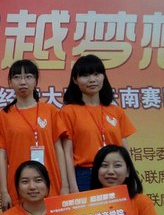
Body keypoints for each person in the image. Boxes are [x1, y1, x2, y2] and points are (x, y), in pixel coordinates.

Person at [58, 54, 136, 193]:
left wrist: (132, 177)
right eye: (85, 75)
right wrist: (72, 186)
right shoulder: (68, 111)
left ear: (103, 77)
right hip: (85, 174)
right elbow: (67, 154)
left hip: (115, 173)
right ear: (75, 80)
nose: (92, 80)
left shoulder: (116, 110)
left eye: (96, 74)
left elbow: (125, 149)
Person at [0, 59, 68, 209]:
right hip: (19, 182)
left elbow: (58, 149)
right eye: (17, 77)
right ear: (10, 83)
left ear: (36, 81)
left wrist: (64, 185)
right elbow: (2, 156)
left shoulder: (50, 110)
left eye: (28, 77)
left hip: (49, 179)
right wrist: (3, 191)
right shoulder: (4, 115)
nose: (23, 82)